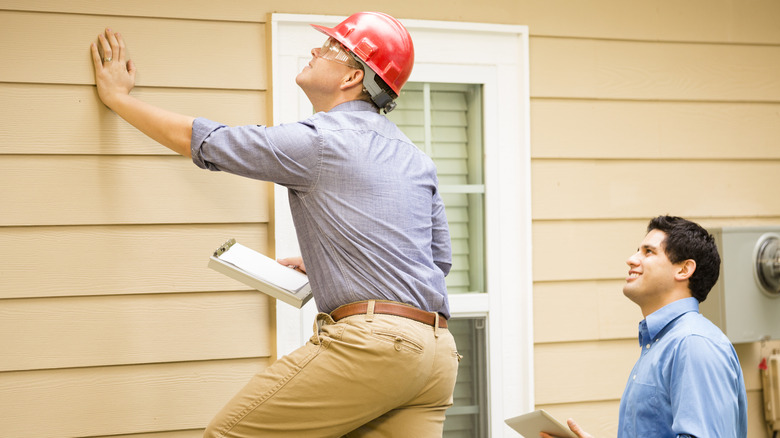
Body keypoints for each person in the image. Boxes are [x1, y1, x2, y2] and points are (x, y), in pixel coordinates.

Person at [90, 11, 459, 438]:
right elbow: (436, 260)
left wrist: (119, 99)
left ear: (352, 78)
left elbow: (210, 142)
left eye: (332, 48)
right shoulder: (415, 157)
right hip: (436, 355)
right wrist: (335, 259)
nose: (315, 50)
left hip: (374, 348)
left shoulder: (320, 140)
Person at [542, 215, 748, 438]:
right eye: (637, 250)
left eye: (648, 251)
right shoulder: (661, 343)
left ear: (683, 269)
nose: (631, 259)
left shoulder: (693, 343)